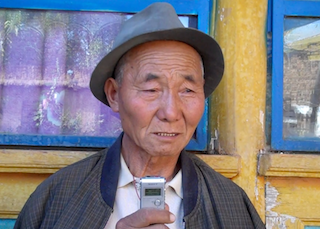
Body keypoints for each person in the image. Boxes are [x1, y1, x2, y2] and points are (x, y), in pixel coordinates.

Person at [14, 2, 265, 229]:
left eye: (187, 90)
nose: (171, 112)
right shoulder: (57, 197)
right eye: (151, 89)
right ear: (114, 94)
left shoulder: (231, 205)